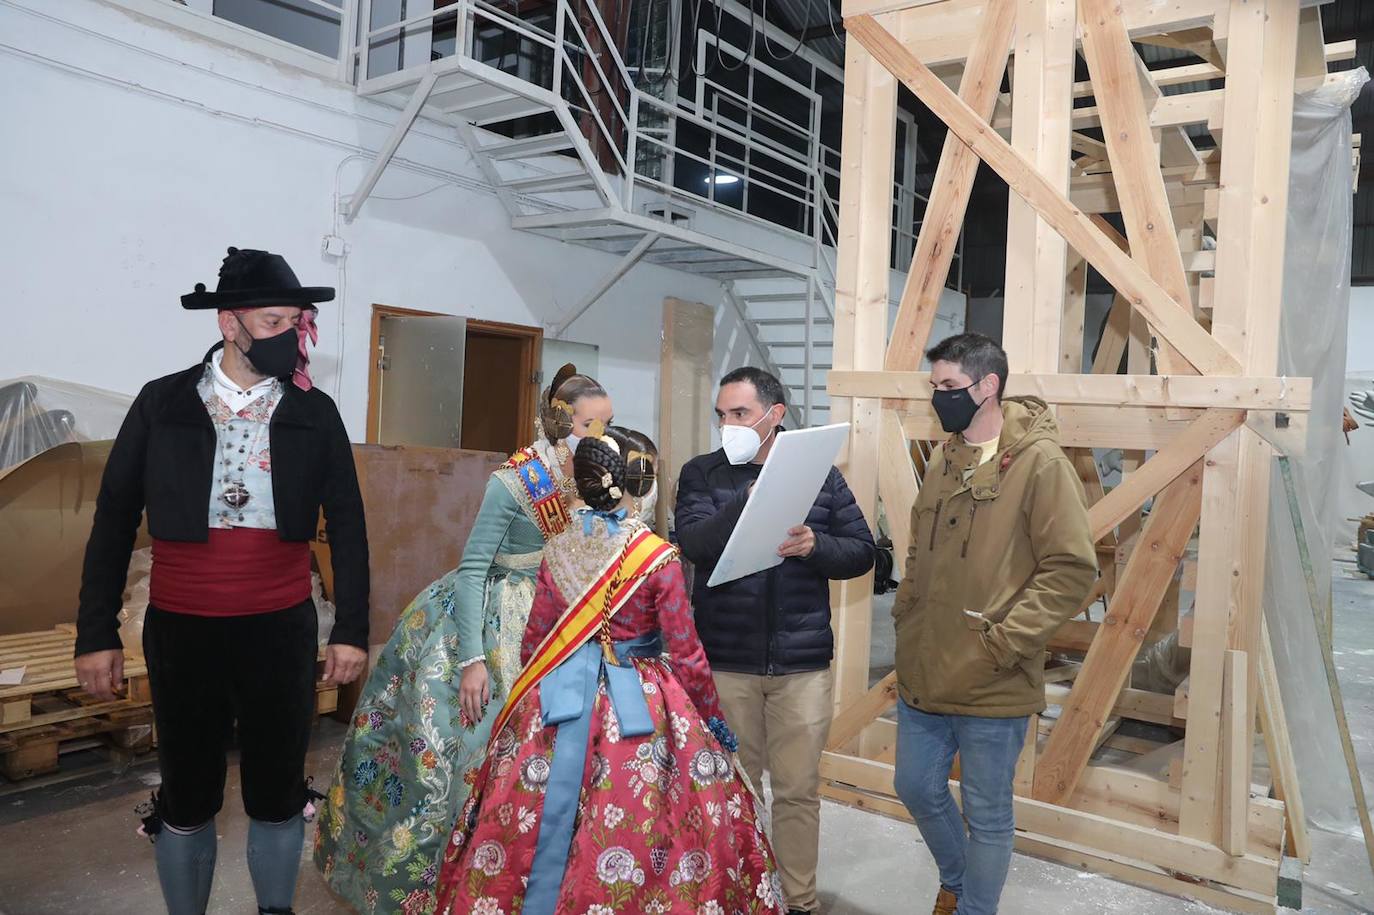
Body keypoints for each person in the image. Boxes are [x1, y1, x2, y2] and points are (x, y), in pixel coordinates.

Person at [74, 246, 370, 915]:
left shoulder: (314, 413)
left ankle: (274, 910)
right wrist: (97, 631)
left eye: (295, 322)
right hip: (183, 630)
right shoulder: (162, 405)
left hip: (280, 625)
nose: (288, 337)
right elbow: (114, 518)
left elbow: (347, 525)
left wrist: (351, 627)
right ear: (228, 324)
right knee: (187, 790)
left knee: (274, 788)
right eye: (272, 322)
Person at [431, 426, 784, 915]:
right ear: (640, 485)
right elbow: (686, 653)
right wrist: (711, 718)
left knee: (524, 816)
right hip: (639, 699)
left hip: (556, 698)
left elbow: (536, 639)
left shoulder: (557, 550)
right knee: (648, 825)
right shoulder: (658, 558)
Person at [315, 365, 613, 915]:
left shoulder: (596, 479)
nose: (602, 438)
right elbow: (474, 566)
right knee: (456, 756)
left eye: (607, 425)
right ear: (559, 422)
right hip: (492, 618)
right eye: (592, 426)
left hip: (558, 615)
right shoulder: (516, 479)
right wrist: (472, 659)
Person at [890, 333, 1095, 915]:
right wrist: (908, 607)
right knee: (916, 787)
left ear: (988, 387)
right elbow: (919, 551)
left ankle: (975, 907)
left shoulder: (1040, 464)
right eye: (935, 388)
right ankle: (958, 880)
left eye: (950, 387)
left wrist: (1003, 641)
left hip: (991, 675)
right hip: (925, 666)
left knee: (988, 813)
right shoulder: (945, 457)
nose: (939, 399)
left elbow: (1071, 569)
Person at [674, 366, 875, 915]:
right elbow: (693, 543)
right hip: (727, 661)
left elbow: (863, 553)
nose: (727, 425)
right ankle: (736, 896)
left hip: (801, 663)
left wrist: (816, 546)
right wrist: (750, 502)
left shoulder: (821, 477)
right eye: (721, 414)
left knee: (796, 792)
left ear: (774, 415)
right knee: (731, 789)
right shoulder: (702, 474)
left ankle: (798, 901)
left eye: (739, 414)